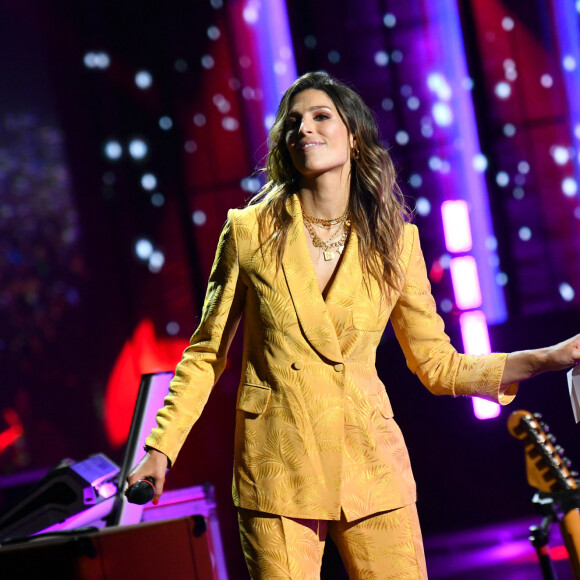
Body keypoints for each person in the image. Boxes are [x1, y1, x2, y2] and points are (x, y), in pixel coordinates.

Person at [128, 71, 580, 579]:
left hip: (370, 463)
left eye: (322, 116)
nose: (304, 129)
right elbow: (206, 354)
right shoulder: (247, 231)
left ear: (354, 136)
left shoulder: (395, 242)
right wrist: (159, 450)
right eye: (293, 122)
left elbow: (437, 364)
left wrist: (549, 357)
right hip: (278, 464)